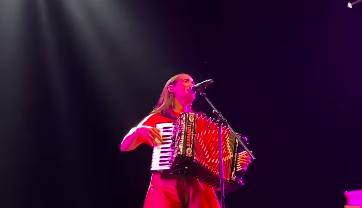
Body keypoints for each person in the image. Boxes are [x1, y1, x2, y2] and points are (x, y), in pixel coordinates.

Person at [120, 73, 251, 208]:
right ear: (172, 88)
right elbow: (125, 146)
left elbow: (215, 162)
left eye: (193, 82)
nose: (192, 85)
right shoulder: (158, 119)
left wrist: (235, 163)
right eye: (187, 81)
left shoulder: (203, 122)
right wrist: (137, 131)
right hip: (166, 184)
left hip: (197, 185)